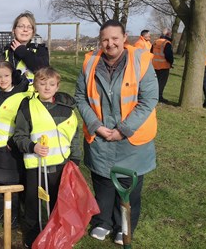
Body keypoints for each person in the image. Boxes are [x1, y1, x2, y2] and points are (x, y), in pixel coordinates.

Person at [75, 20, 158, 246]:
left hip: (132, 139)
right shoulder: (90, 63)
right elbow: (81, 98)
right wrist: (95, 125)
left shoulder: (141, 60)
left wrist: (123, 130)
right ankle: (103, 222)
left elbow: (149, 99)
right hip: (100, 137)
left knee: (129, 189)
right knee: (102, 181)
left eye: (114, 38)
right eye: (105, 39)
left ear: (124, 38)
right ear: (100, 41)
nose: (109, 44)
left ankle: (124, 225)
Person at [11, 67, 81, 248]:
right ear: (35, 86)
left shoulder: (67, 110)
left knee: (60, 203)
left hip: (61, 167)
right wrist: (32, 146)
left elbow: (74, 136)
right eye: (42, 84)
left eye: (51, 84)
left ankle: (58, 235)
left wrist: (75, 160)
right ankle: (32, 237)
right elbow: (18, 136)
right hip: (37, 166)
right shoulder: (28, 107)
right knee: (33, 205)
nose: (47, 88)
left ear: (57, 86)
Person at [0, 61, 28, 228]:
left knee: (11, 182)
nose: (3, 80)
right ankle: (1, 210)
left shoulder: (21, 97)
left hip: (10, 147)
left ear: (13, 76)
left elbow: (23, 124)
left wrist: (12, 141)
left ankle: (14, 214)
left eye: (6, 76)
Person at [2, 11, 49, 92]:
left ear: (33, 32)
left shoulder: (40, 50)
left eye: (29, 27)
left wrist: (21, 51)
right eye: (21, 26)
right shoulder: (4, 51)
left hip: (33, 99)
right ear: (13, 30)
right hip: (10, 100)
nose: (25, 30)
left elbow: (43, 70)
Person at [151, 28, 174, 103]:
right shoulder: (166, 43)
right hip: (163, 66)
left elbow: (151, 52)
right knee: (161, 83)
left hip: (154, 65)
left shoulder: (155, 42)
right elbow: (168, 55)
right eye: (170, 33)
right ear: (168, 34)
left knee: (155, 82)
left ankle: (153, 96)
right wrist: (171, 62)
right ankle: (159, 97)